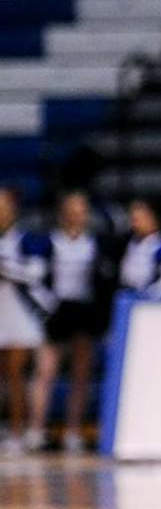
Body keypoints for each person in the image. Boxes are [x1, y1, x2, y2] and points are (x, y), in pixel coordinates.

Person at [29, 191, 112, 453]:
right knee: (46, 371)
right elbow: (35, 279)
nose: (78, 215)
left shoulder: (93, 242)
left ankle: (73, 431)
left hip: (83, 309)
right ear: (63, 213)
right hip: (58, 308)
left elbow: (103, 280)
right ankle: (36, 430)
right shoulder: (51, 242)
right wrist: (48, 305)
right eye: (73, 210)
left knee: (81, 374)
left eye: (83, 210)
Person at [0, 187, 46, 455]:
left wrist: (7, 269)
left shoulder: (26, 240)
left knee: (16, 375)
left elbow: (36, 273)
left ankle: (19, 431)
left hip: (19, 313)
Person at [118, 199, 161, 300]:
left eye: (140, 219)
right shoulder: (131, 242)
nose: (135, 224)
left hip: (146, 299)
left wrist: (152, 294)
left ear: (153, 218)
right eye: (133, 219)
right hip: (129, 294)